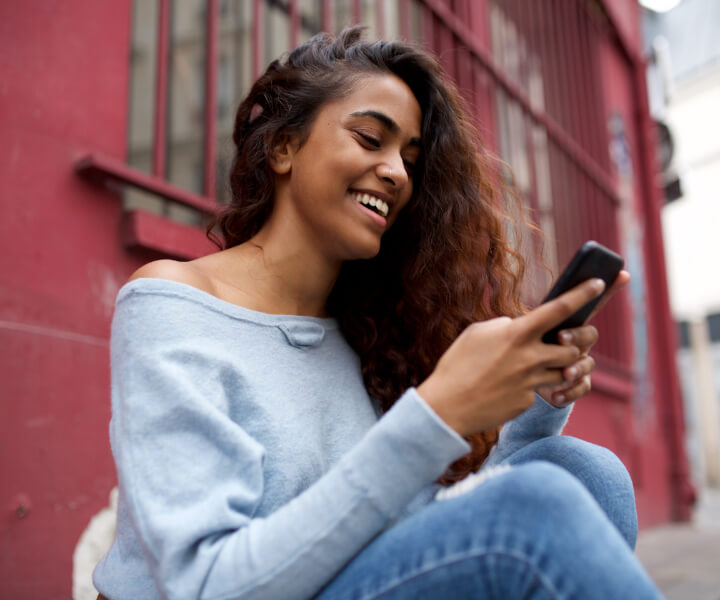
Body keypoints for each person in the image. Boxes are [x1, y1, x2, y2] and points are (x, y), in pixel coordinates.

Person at [93, 28, 661, 600]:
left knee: (581, 470)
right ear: (283, 147)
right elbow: (202, 583)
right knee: (536, 504)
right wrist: (436, 414)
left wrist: (537, 395)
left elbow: (425, 517)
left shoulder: (367, 333)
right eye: (370, 138)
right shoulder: (176, 302)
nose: (397, 173)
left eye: (410, 159)